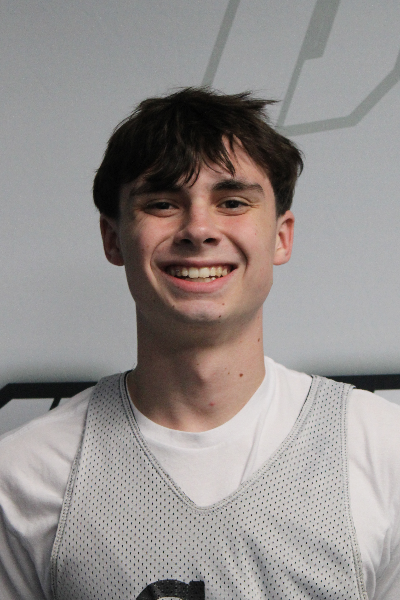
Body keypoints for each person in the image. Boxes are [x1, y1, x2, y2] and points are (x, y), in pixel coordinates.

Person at [0, 88, 399, 600]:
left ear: (281, 236)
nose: (199, 229)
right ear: (113, 238)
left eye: (232, 202)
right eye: (162, 203)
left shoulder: (383, 450)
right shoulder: (25, 473)